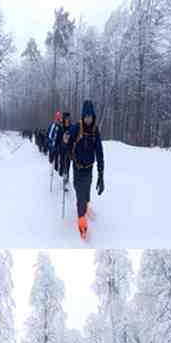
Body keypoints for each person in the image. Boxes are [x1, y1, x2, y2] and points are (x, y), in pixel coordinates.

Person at [64, 100, 105, 241]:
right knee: (80, 193)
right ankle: (81, 220)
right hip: (77, 168)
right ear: (82, 116)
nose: (88, 119)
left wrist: (101, 174)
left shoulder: (95, 131)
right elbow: (67, 145)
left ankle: (86, 207)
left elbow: (99, 152)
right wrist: (65, 141)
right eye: (86, 116)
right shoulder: (76, 128)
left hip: (89, 169)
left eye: (90, 116)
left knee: (86, 191)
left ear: (93, 116)